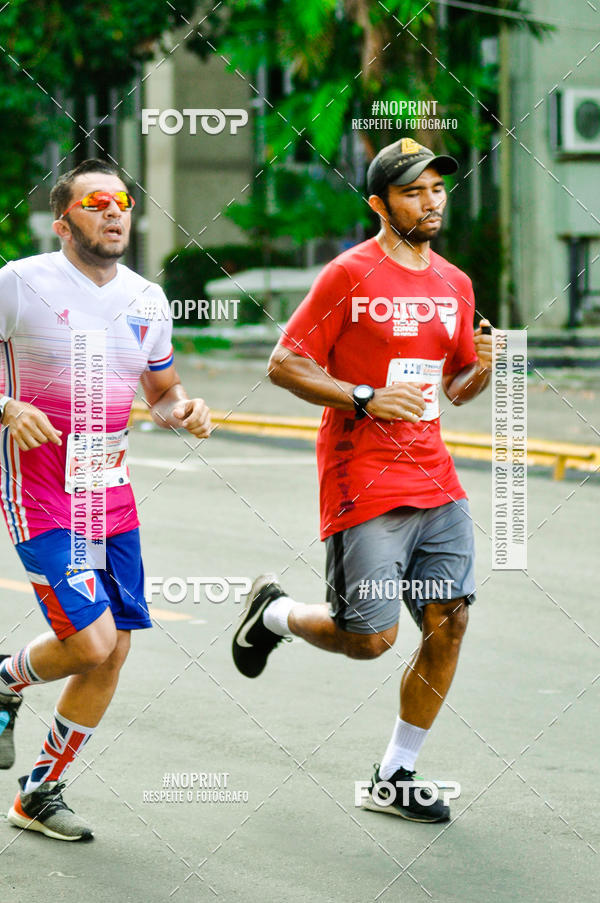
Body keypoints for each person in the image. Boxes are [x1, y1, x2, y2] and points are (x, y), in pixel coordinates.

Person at [232, 138, 493, 822]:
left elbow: (456, 387)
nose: (430, 201)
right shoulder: (348, 273)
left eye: (437, 188)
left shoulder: (455, 283)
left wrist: (485, 365)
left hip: (435, 477)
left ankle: (396, 774)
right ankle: (273, 613)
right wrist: (363, 396)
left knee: (450, 621)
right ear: (379, 204)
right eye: (413, 191)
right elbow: (285, 363)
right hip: (363, 473)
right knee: (370, 638)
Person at [0, 158, 211, 841]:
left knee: (113, 649)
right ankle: (6, 676)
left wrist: (184, 409)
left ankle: (39, 793)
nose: (115, 211)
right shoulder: (20, 282)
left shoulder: (147, 298)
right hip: (40, 492)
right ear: (64, 224)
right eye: (96, 203)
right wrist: (7, 406)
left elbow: (162, 391)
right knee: (89, 642)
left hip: (108, 494)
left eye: (122, 201)